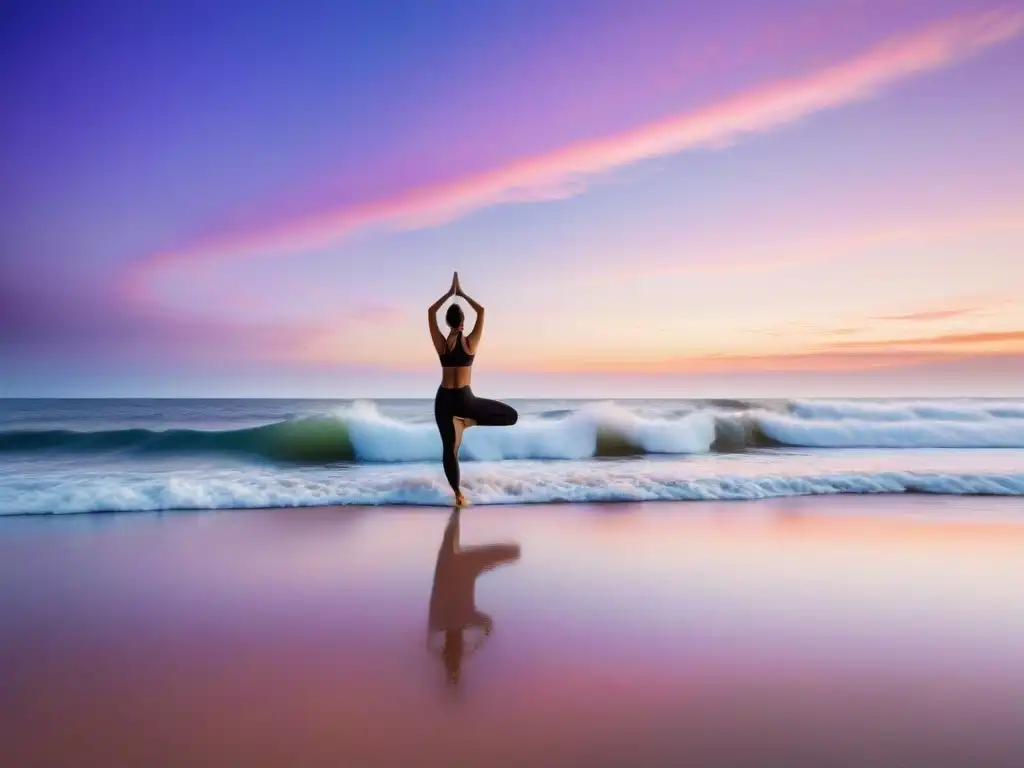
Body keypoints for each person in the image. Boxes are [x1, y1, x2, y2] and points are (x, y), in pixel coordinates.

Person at [428, 272, 518, 507]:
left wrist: (449, 294)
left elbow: (430, 312)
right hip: (463, 400)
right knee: (511, 416)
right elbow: (482, 311)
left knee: (450, 451)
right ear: (462, 322)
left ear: (447, 322)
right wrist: (462, 294)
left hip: (445, 399)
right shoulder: (470, 342)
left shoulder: (441, 343)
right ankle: (468, 421)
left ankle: (458, 494)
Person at [426, 508, 521, 686]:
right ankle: (452, 675)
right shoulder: (464, 564)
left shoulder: (454, 564)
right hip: (453, 612)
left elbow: (450, 540)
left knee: (452, 546)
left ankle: (452, 676)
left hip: (451, 613)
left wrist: (486, 624)